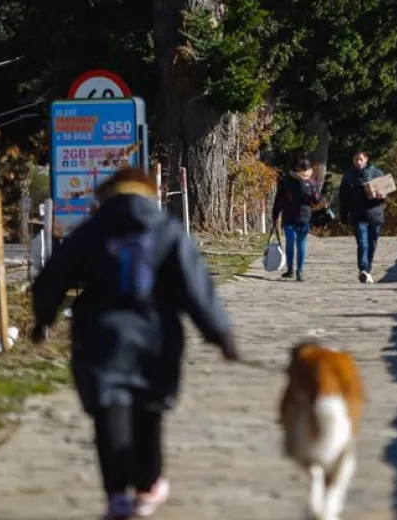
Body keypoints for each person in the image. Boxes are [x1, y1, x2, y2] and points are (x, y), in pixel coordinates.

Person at [30, 166, 241, 520]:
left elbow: (53, 277)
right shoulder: (167, 230)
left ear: (106, 195)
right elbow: (195, 285)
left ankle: (117, 495)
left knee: (108, 409)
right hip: (157, 335)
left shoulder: (90, 231)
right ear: (149, 194)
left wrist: (43, 319)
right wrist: (221, 334)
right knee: (149, 409)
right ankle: (147, 485)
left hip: (101, 336)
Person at [339, 150, 387, 284]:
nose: (358, 162)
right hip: (358, 214)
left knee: (372, 243)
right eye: (356, 159)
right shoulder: (348, 176)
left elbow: (385, 194)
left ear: (366, 159)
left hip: (375, 213)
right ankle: (363, 269)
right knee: (362, 243)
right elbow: (343, 197)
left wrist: (381, 195)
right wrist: (343, 214)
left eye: (360, 159)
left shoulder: (377, 173)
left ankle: (367, 270)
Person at [272, 157, 321, 281]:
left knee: (290, 242)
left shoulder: (286, 181)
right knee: (301, 243)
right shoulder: (311, 182)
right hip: (304, 216)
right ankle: (300, 271)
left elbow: (279, 200)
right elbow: (316, 199)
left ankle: (290, 269)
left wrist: (275, 214)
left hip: (289, 215)